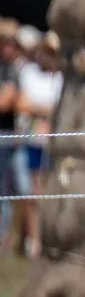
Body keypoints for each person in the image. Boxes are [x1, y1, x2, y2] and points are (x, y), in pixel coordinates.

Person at [14, 29, 62, 259]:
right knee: (31, 193)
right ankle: (32, 240)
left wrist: (38, 108)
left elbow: (59, 108)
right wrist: (45, 109)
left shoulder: (61, 78)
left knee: (48, 193)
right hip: (32, 141)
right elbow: (23, 104)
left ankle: (46, 240)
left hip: (53, 143)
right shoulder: (29, 73)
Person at [0, 19, 20, 254]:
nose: (10, 46)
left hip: (5, 136)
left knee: (5, 190)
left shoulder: (11, 70)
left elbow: (8, 102)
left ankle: (3, 241)